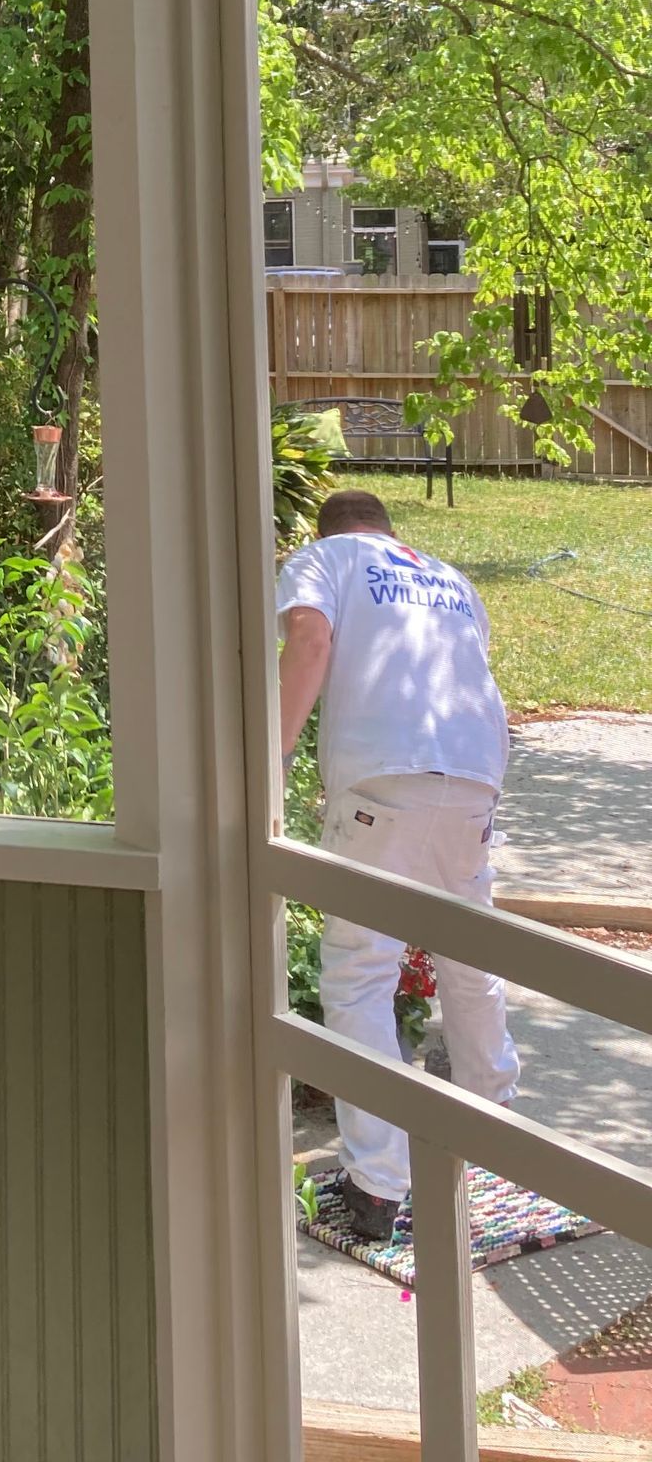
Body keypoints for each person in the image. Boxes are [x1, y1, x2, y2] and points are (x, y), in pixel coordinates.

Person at [277, 488, 519, 1240]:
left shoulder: (324, 558)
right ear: (386, 529)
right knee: (470, 957)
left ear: (330, 529)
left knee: (361, 973)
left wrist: (271, 758)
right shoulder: (448, 577)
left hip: (382, 780)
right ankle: (497, 1138)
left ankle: (378, 1184)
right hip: (474, 776)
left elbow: (309, 641)